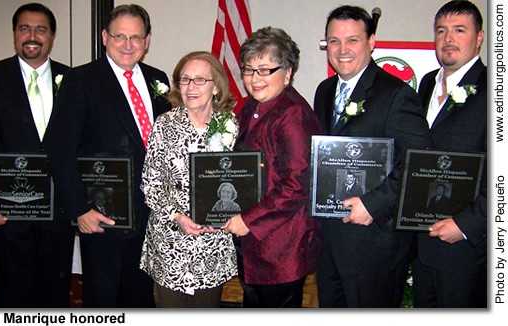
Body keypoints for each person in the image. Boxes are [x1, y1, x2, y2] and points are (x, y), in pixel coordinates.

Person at [44, 4, 171, 307]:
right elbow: (58, 149)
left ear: (148, 40)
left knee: (140, 296)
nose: (128, 45)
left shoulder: (158, 78)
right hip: (103, 216)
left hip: (151, 215)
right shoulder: (81, 80)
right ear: (105, 37)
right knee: (103, 299)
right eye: (120, 36)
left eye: (136, 37)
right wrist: (79, 210)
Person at [313, 5, 431, 307]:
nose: (342, 50)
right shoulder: (324, 91)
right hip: (330, 242)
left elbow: (418, 162)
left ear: (371, 42)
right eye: (334, 41)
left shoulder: (396, 94)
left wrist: (373, 204)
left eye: (352, 40)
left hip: (375, 244)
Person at [0, 3, 73, 308]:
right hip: (9, 208)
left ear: (51, 36)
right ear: (14, 34)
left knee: (56, 287)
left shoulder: (72, 79)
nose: (32, 35)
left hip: (58, 207)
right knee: (13, 288)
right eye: (24, 28)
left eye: (41, 29)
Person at [221, 27, 322, 308]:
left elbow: (296, 186)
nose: (255, 79)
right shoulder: (249, 107)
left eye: (265, 69)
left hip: (281, 247)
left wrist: (248, 220)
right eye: (249, 70)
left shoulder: (292, 115)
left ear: (287, 72)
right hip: (253, 243)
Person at [140, 51, 238, 308]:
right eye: (185, 80)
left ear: (215, 87)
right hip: (171, 241)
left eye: (199, 80)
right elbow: (151, 183)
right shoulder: (164, 125)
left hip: (212, 243)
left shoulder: (231, 126)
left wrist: (225, 217)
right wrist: (178, 217)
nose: (191, 87)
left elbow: (242, 181)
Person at [414, 0, 487, 308]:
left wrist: (468, 225)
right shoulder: (428, 83)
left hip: (465, 247)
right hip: (421, 239)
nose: (448, 39)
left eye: (459, 30)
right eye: (441, 30)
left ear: (480, 37)